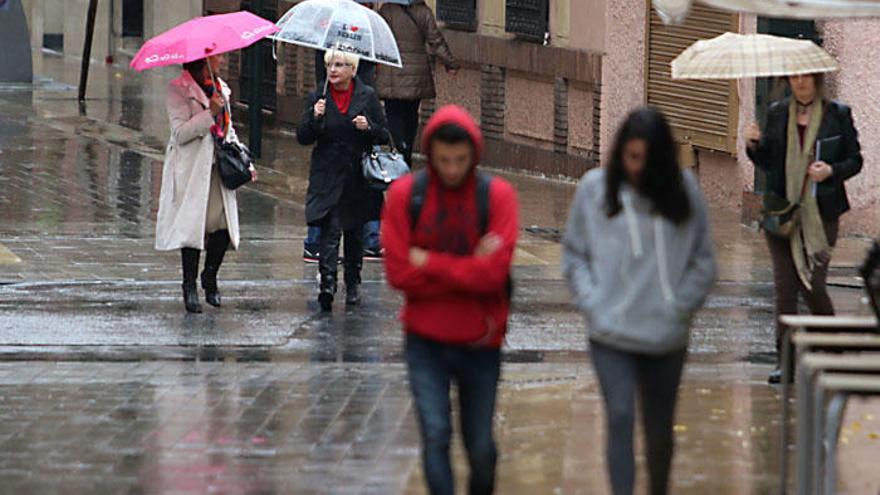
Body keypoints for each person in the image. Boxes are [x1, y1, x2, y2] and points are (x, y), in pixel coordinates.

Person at [562, 107, 717, 495]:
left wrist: (680, 307)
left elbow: (704, 261)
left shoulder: (685, 192)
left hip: (665, 336)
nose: (637, 168)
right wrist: (593, 302)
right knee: (619, 415)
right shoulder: (595, 190)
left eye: (646, 160)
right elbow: (574, 255)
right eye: (630, 157)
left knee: (659, 428)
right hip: (610, 333)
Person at [382, 105, 519, 495]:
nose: (453, 169)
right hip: (426, 340)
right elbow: (398, 273)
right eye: (444, 160)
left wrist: (428, 262)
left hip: (481, 340)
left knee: (481, 449)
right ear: (431, 154)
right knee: (436, 435)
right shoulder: (407, 195)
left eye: (460, 160)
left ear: (474, 155)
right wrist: (468, 265)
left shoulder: (497, 197)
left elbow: (494, 274)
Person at [746, 73, 863, 384]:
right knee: (785, 288)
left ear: (816, 79)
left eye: (805, 77)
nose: (799, 82)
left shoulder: (837, 114)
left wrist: (831, 171)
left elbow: (855, 160)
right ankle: (785, 361)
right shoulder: (777, 113)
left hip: (821, 212)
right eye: (794, 77)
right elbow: (768, 162)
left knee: (812, 284)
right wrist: (754, 145)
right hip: (782, 212)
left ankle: (832, 350)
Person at [155, 55, 255, 313]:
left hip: (219, 168)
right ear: (201, 60)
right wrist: (209, 113)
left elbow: (228, 128)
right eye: (215, 56)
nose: (220, 59)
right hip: (191, 169)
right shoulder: (178, 89)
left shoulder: (220, 88)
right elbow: (180, 133)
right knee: (193, 228)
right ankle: (189, 286)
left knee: (222, 226)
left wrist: (245, 161)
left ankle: (209, 276)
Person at [297, 50, 387, 312]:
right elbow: (302, 136)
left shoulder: (367, 95)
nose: (333, 70)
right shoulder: (318, 96)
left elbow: (383, 134)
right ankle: (327, 284)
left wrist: (367, 126)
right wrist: (314, 117)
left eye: (339, 65)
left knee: (355, 232)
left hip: (357, 176)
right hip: (327, 174)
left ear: (352, 70)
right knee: (330, 228)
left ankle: (353, 282)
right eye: (330, 65)